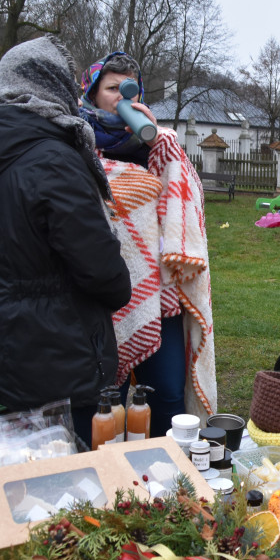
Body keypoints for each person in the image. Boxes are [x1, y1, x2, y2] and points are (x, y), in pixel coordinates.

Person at [0, 36, 131, 442]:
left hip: (8, 334)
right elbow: (97, 265)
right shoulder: (54, 160)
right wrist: (119, 285)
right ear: (48, 85)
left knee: (30, 473)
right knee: (76, 484)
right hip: (61, 347)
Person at [80, 51, 216, 437]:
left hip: (161, 294)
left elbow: (184, 208)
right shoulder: (78, 143)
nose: (121, 97)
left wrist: (160, 147)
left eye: (130, 88)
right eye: (111, 88)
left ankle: (169, 472)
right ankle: (111, 477)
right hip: (106, 292)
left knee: (169, 393)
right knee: (109, 395)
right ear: (91, 94)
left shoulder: (160, 143)